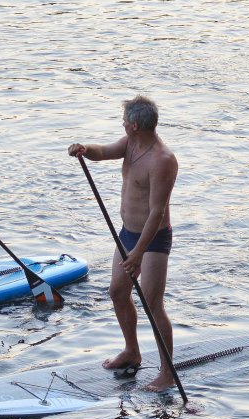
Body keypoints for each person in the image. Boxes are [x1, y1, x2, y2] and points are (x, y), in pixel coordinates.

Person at [67, 95, 179, 392]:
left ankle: (167, 373)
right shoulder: (130, 144)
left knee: (154, 305)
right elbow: (103, 152)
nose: (122, 125)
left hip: (152, 240)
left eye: (124, 121)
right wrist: (84, 149)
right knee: (117, 292)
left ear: (134, 125)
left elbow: (157, 212)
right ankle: (132, 351)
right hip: (127, 233)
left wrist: (139, 254)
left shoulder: (163, 160)